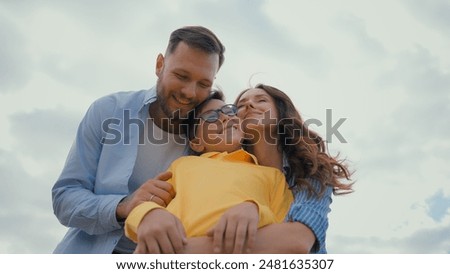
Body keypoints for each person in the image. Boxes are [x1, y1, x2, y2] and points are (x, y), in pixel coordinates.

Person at [51, 26, 226, 254]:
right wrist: (125, 206)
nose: (190, 92)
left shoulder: (211, 140)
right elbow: (65, 198)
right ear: (159, 65)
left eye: (204, 84)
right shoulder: (109, 111)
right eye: (181, 76)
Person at [170, 84, 353, 254]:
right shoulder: (221, 169)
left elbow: (298, 239)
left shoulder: (311, 171)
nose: (249, 104)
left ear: (281, 114)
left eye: (261, 100)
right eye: (240, 105)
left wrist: (178, 252)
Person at [124, 92, 293, 254]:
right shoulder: (183, 165)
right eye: (212, 117)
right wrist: (149, 214)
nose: (226, 117)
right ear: (196, 142)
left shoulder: (272, 176)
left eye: (230, 111)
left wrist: (255, 209)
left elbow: (287, 230)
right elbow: (146, 204)